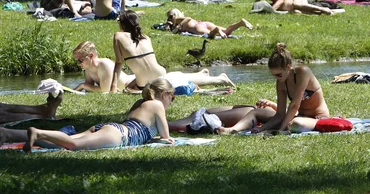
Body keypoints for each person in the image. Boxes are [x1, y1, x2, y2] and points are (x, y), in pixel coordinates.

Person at [22, 78, 176, 153]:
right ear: (164, 94)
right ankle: (38, 133)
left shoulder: (140, 102)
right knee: (73, 145)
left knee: (66, 142)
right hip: (119, 135)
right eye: (172, 97)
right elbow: (166, 137)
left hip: (112, 128)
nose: (172, 101)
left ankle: (39, 137)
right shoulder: (157, 105)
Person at [111, 11, 235, 93]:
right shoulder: (145, 37)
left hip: (146, 83)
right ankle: (204, 74)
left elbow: (118, 63)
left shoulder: (118, 36)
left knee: (130, 88)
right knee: (133, 84)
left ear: (122, 24)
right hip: (159, 74)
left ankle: (220, 79)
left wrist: (113, 86)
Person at [217, 44, 330, 134]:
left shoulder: (303, 72)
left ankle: (285, 128)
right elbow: (280, 114)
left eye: (279, 75)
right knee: (256, 111)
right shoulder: (281, 82)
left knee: (295, 123)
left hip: (318, 118)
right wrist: (262, 128)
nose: (277, 78)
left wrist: (280, 130)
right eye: (274, 75)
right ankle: (232, 130)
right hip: (298, 116)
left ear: (288, 67)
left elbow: (295, 105)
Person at [74, 40, 231, 92]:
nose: (79, 64)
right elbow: (88, 85)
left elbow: (104, 90)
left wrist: (82, 86)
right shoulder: (88, 68)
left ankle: (219, 78)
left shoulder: (104, 65)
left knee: (175, 81)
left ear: (92, 56)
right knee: (175, 78)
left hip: (137, 82)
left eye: (80, 60)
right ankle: (202, 75)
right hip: (133, 82)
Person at [165, 8, 253, 39]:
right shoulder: (174, 23)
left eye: (170, 17)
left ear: (175, 15)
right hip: (204, 23)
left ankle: (216, 30)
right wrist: (168, 24)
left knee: (212, 35)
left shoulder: (178, 20)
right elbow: (166, 29)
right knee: (226, 31)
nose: (169, 19)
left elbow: (188, 18)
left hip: (197, 27)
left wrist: (178, 25)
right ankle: (240, 23)